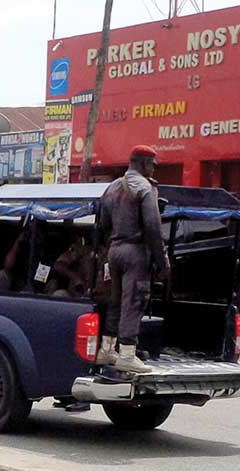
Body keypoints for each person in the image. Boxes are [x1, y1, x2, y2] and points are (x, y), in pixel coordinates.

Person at [96, 145, 170, 374]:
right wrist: (162, 261)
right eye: (152, 165)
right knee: (135, 300)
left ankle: (107, 349)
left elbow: (101, 226)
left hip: (115, 250)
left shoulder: (111, 187)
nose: (154, 170)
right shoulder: (145, 188)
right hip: (135, 252)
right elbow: (152, 226)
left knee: (115, 300)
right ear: (144, 163)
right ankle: (127, 353)